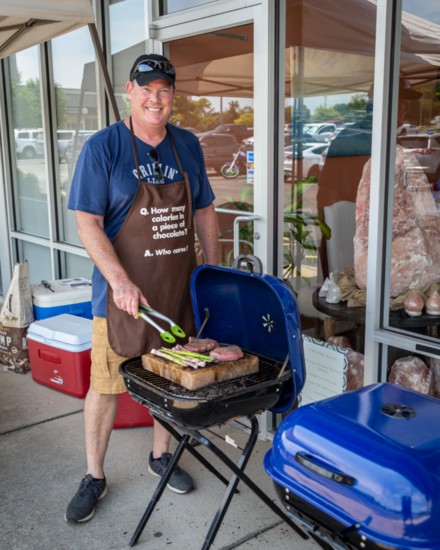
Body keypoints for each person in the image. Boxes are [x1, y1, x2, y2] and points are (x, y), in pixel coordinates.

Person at [65, 53, 220, 523]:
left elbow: (205, 211)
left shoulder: (187, 145)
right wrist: (118, 280)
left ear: (173, 96)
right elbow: (86, 221)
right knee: (105, 386)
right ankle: (94, 475)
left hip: (176, 294)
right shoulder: (103, 148)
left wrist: (214, 270)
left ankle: (161, 456)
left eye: (165, 90)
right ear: (129, 92)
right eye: (147, 88)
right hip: (118, 300)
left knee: (168, 380)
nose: (156, 98)